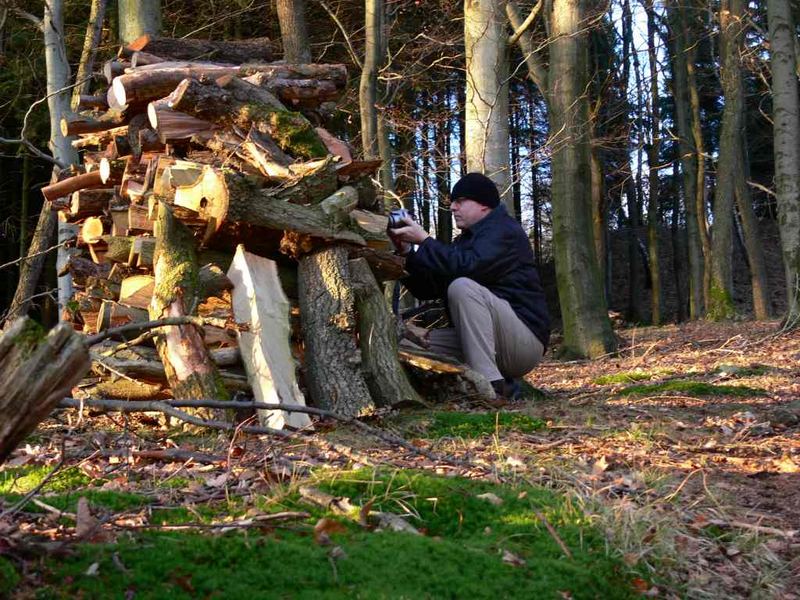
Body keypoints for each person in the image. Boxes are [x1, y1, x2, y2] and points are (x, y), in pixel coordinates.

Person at [388, 172, 550, 401]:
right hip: (488, 341)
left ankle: (491, 389)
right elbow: (427, 289)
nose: (453, 208)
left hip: (524, 343)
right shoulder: (465, 241)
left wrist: (425, 240)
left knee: (462, 286)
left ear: (484, 205)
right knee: (406, 345)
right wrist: (407, 253)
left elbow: (467, 269)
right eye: (452, 202)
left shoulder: (504, 232)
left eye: (460, 201)